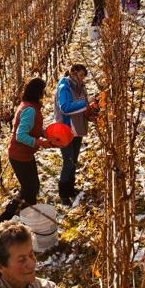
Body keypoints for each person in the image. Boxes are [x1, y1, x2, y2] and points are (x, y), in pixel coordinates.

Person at [0, 77, 52, 223]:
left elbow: (32, 127)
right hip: (19, 155)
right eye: (42, 90)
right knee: (28, 190)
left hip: (25, 153)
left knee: (33, 187)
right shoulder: (30, 110)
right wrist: (40, 142)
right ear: (38, 92)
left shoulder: (29, 105)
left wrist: (46, 133)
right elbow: (21, 135)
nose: (44, 93)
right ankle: (4, 220)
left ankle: (29, 217)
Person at [53, 64, 89, 205]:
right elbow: (65, 107)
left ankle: (70, 189)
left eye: (83, 76)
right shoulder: (64, 87)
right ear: (73, 73)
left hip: (78, 128)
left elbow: (83, 106)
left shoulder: (80, 86)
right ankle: (63, 194)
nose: (82, 79)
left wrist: (91, 110)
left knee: (74, 160)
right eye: (80, 75)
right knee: (67, 162)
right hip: (66, 129)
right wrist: (85, 103)